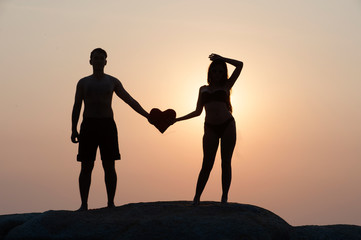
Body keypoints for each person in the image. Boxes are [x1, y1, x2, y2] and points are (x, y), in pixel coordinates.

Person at [71, 48, 149, 211]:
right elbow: (77, 106)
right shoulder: (83, 82)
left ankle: (111, 203)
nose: (98, 61)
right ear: (90, 61)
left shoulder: (112, 81)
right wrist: (73, 128)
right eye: (96, 58)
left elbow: (129, 100)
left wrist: (148, 115)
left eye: (101, 58)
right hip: (88, 126)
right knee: (86, 166)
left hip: (107, 125)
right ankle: (84, 204)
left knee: (109, 165)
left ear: (106, 62)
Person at [175, 53, 243, 205]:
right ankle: (196, 198)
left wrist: (222, 59)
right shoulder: (202, 89)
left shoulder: (226, 86)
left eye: (220, 71)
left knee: (225, 162)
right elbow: (197, 112)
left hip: (227, 125)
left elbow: (240, 65)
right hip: (210, 127)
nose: (217, 74)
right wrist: (177, 120)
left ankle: (224, 197)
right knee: (207, 163)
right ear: (210, 73)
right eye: (214, 71)